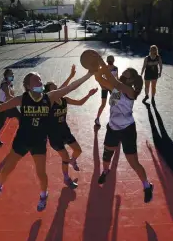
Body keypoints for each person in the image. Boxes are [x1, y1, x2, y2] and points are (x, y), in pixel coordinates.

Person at [0, 68, 94, 211]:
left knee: (41, 173)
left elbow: (71, 87)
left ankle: (43, 195)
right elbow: (0, 108)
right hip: (22, 140)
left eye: (40, 79)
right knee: (7, 169)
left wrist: (88, 74)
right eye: (36, 80)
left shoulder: (50, 97)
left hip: (39, 141)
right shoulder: (22, 98)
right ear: (28, 86)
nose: (40, 81)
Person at [94, 56, 154, 203]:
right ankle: (105, 171)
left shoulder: (129, 90)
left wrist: (103, 64)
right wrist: (95, 69)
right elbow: (100, 79)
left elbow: (113, 82)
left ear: (131, 79)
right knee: (106, 155)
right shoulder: (116, 88)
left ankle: (147, 186)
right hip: (113, 126)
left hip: (127, 129)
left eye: (127, 72)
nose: (124, 72)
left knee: (133, 162)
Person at [44, 65, 98, 189]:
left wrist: (89, 95)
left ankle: (73, 161)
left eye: (56, 87)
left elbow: (79, 102)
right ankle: (66, 178)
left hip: (65, 131)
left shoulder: (64, 100)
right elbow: (66, 87)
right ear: (49, 92)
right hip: (54, 136)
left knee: (78, 150)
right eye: (54, 89)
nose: (57, 89)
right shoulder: (49, 102)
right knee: (65, 158)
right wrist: (70, 77)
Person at [0, 69, 20, 146]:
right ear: (6, 76)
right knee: (1, 122)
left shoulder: (10, 83)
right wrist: (18, 100)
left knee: (19, 118)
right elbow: (8, 96)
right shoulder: (5, 84)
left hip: (8, 104)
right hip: (5, 105)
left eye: (12, 74)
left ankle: (23, 134)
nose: (12, 76)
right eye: (10, 74)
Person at [94, 55, 118, 127]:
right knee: (104, 104)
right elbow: (98, 77)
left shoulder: (116, 68)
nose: (110, 62)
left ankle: (112, 120)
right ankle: (97, 118)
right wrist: (101, 85)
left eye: (111, 61)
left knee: (114, 105)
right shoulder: (104, 68)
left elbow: (117, 78)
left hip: (112, 88)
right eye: (109, 61)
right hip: (105, 87)